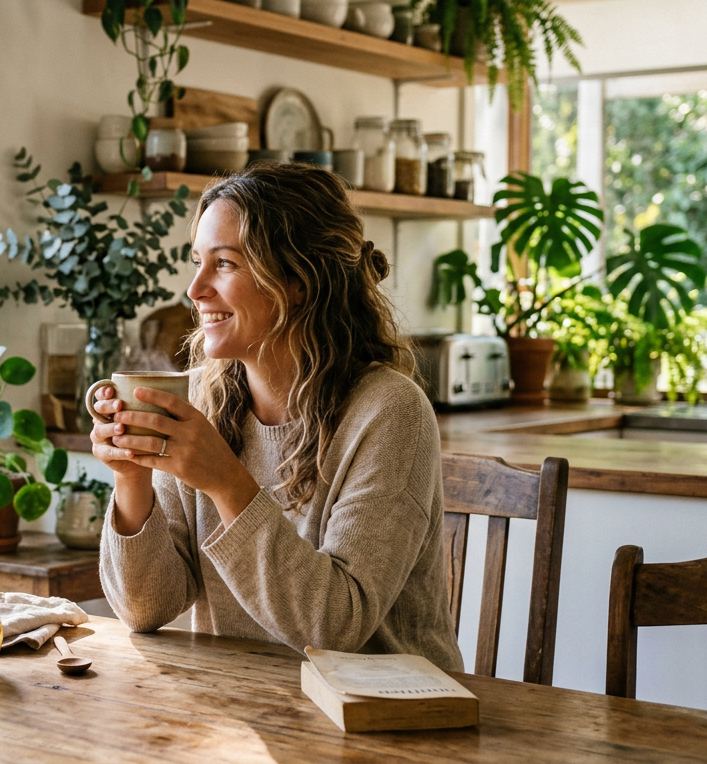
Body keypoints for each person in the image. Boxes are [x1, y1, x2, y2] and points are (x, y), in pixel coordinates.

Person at [92, 162, 464, 670]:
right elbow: (146, 608)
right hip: (253, 709)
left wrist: (226, 482)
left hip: (385, 718)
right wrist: (132, 479)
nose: (195, 289)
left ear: (298, 281)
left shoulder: (391, 413)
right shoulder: (203, 398)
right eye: (197, 261)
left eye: (224, 263)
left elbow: (336, 627)